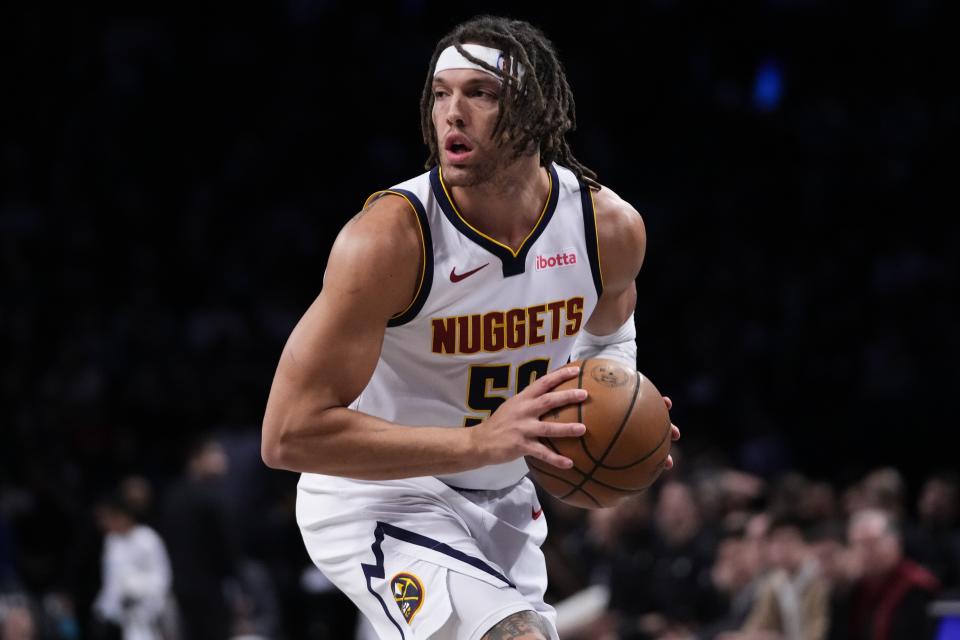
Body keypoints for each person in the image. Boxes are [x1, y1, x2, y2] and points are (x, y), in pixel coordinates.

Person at [261, 15, 680, 640]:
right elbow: (287, 436)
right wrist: (484, 442)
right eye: (440, 94)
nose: (452, 113)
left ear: (536, 112)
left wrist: (612, 410)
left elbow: (609, 340)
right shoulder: (389, 241)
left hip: (505, 501)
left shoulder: (607, 230)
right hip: (377, 496)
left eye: (479, 94)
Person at [846, 508, 940, 640]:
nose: (864, 552)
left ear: (895, 542)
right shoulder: (857, 589)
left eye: (872, 543)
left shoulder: (917, 586)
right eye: (858, 544)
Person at [92, 493, 173, 640]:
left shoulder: (148, 539)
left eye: (109, 518)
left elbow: (162, 578)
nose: (105, 523)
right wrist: (103, 610)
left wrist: (135, 588)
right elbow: (110, 582)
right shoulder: (111, 542)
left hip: (147, 614)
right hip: (119, 617)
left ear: (123, 517)